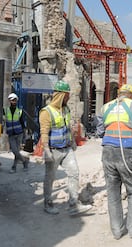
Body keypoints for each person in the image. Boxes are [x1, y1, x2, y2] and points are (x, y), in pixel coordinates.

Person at [96, 84, 132, 240]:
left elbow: (100, 132)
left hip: (108, 152)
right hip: (127, 153)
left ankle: (117, 231)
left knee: (113, 193)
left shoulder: (105, 107)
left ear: (119, 94)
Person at [39, 80, 92, 215]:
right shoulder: (46, 112)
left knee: (74, 172)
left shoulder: (66, 109)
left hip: (66, 149)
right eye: (66, 95)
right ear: (60, 95)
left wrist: (73, 141)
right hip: (53, 150)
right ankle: (48, 203)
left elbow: (68, 127)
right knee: (49, 177)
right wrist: (46, 150)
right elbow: (44, 132)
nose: (68, 98)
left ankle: (73, 204)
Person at [4, 93, 29, 174]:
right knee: (15, 151)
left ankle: (14, 167)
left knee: (16, 151)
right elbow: (0, 116)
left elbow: (22, 123)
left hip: (19, 133)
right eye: (12, 100)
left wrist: (25, 134)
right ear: (9, 100)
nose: (13, 101)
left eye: (14, 100)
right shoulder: (5, 110)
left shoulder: (20, 111)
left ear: (16, 100)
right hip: (11, 134)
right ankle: (24, 161)